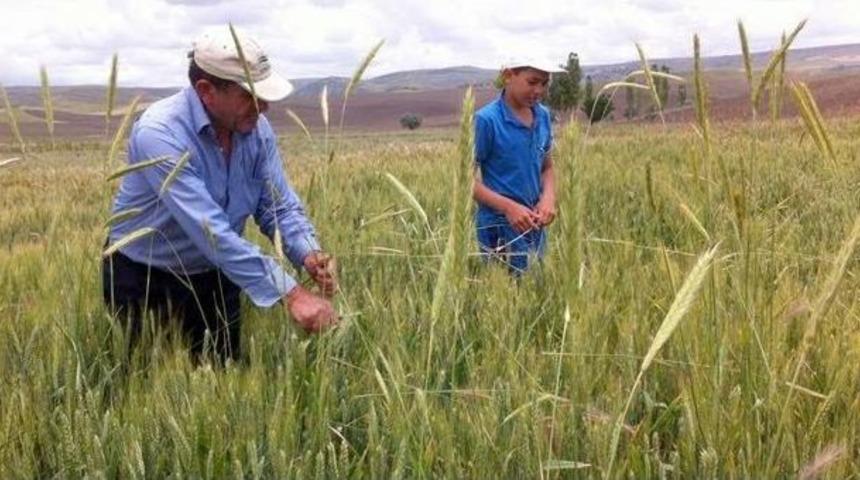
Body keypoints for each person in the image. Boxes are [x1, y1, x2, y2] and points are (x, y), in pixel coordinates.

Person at [103, 28, 338, 362]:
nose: (265, 107)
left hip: (219, 274)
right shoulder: (160, 132)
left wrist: (309, 253)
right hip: (145, 278)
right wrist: (293, 293)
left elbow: (276, 204)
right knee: (141, 387)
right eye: (250, 95)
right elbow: (210, 232)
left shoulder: (256, 129)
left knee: (221, 376)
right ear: (206, 91)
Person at [473, 60, 557, 274]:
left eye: (544, 84)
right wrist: (508, 207)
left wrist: (548, 198)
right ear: (508, 76)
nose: (538, 91)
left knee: (536, 289)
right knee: (504, 296)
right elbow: (464, 179)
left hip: (535, 224)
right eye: (532, 82)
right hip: (498, 226)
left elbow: (546, 166)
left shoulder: (543, 116)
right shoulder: (486, 120)